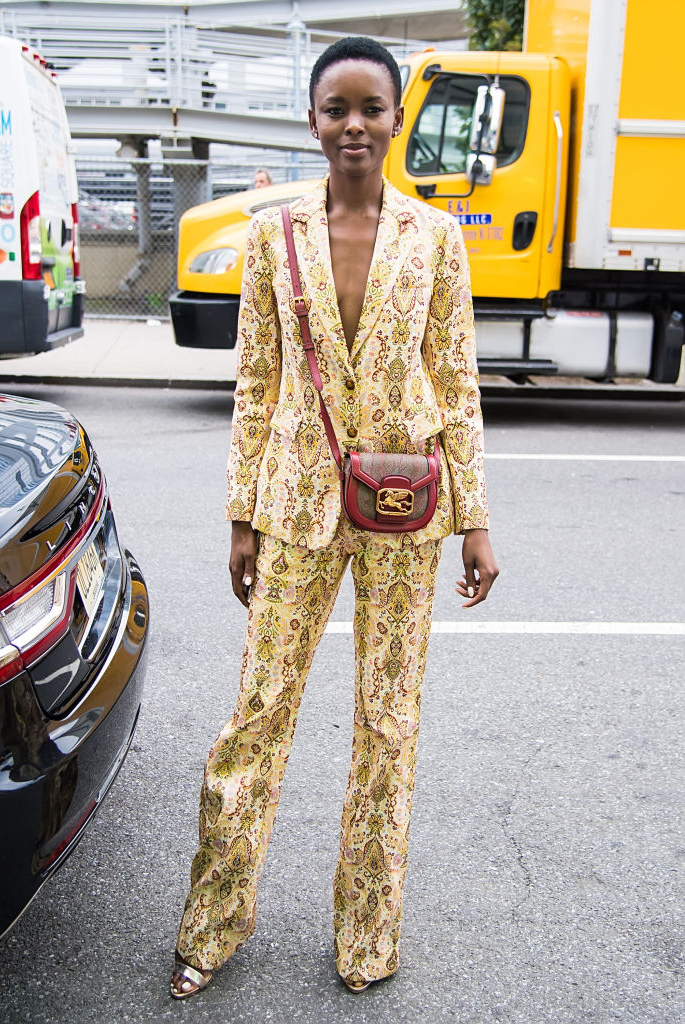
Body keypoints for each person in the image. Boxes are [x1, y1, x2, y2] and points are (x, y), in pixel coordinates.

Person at [170, 35, 499, 1000]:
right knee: (256, 716)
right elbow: (255, 379)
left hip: (406, 505)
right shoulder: (274, 236)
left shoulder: (434, 240)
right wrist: (242, 515)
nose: (353, 125)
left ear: (397, 119)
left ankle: (366, 938)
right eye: (334, 108)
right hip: (296, 501)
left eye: (370, 108)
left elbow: (459, 381)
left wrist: (473, 519)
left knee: (387, 724)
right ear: (312, 121)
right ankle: (211, 927)